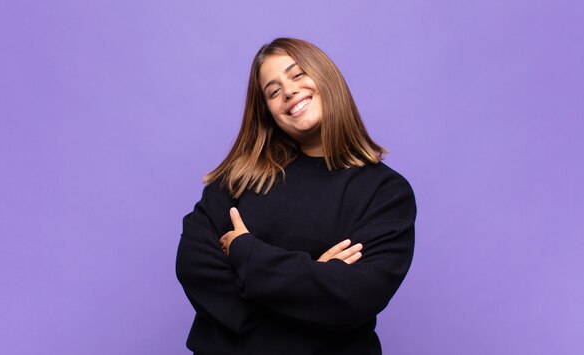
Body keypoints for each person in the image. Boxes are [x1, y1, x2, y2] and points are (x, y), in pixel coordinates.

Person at [176, 37, 416, 355]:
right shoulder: (241, 177)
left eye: (298, 74)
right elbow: (193, 265)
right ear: (268, 113)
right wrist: (315, 279)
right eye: (273, 91)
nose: (288, 91)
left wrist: (245, 253)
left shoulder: (386, 193)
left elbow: (355, 297)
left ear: (326, 77)